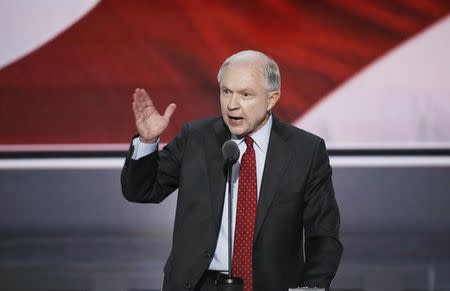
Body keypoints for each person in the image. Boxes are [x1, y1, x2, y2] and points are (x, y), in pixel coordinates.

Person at [121, 50, 343, 291]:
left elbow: (323, 235)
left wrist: (312, 287)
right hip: (197, 284)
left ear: (271, 99)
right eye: (226, 92)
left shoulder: (305, 151)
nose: (232, 105)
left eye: (245, 95)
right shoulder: (196, 138)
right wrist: (147, 141)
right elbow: (141, 191)